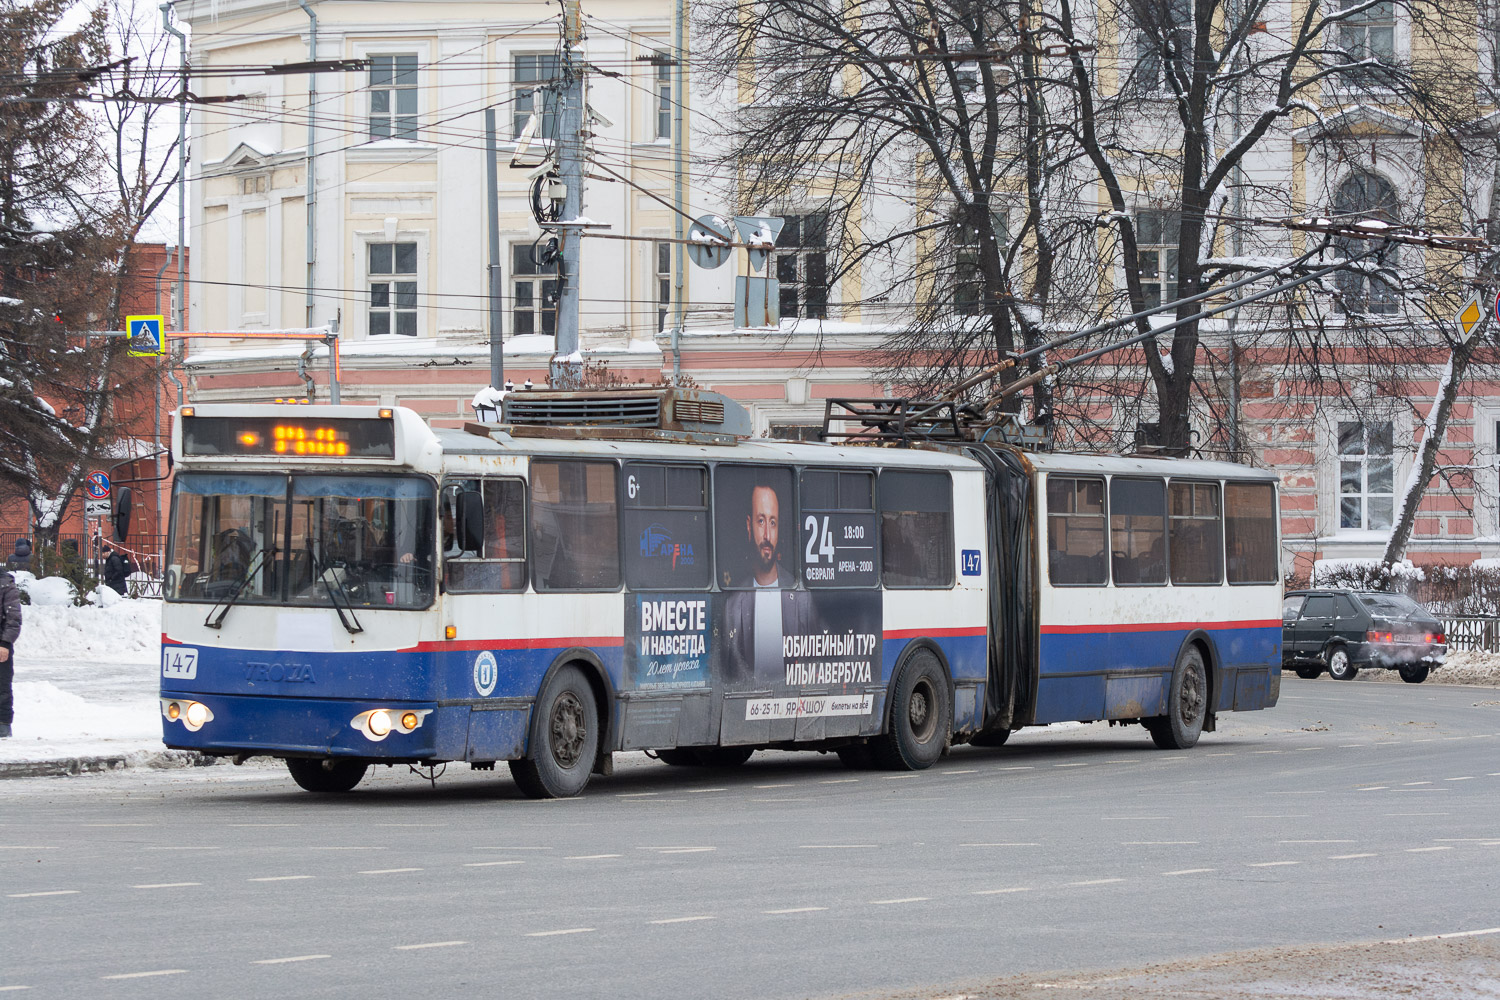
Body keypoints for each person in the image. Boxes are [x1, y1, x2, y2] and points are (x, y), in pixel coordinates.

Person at [724, 481, 814, 689]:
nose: (767, 535)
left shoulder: (801, 599)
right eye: (760, 521)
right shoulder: (733, 606)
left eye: (772, 523)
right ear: (749, 526)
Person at [0, 568, 20, 738]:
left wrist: (5, 643)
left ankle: (3, 725)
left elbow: (13, 618)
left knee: (2, 685)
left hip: (0, 643)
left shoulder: (6, 584)